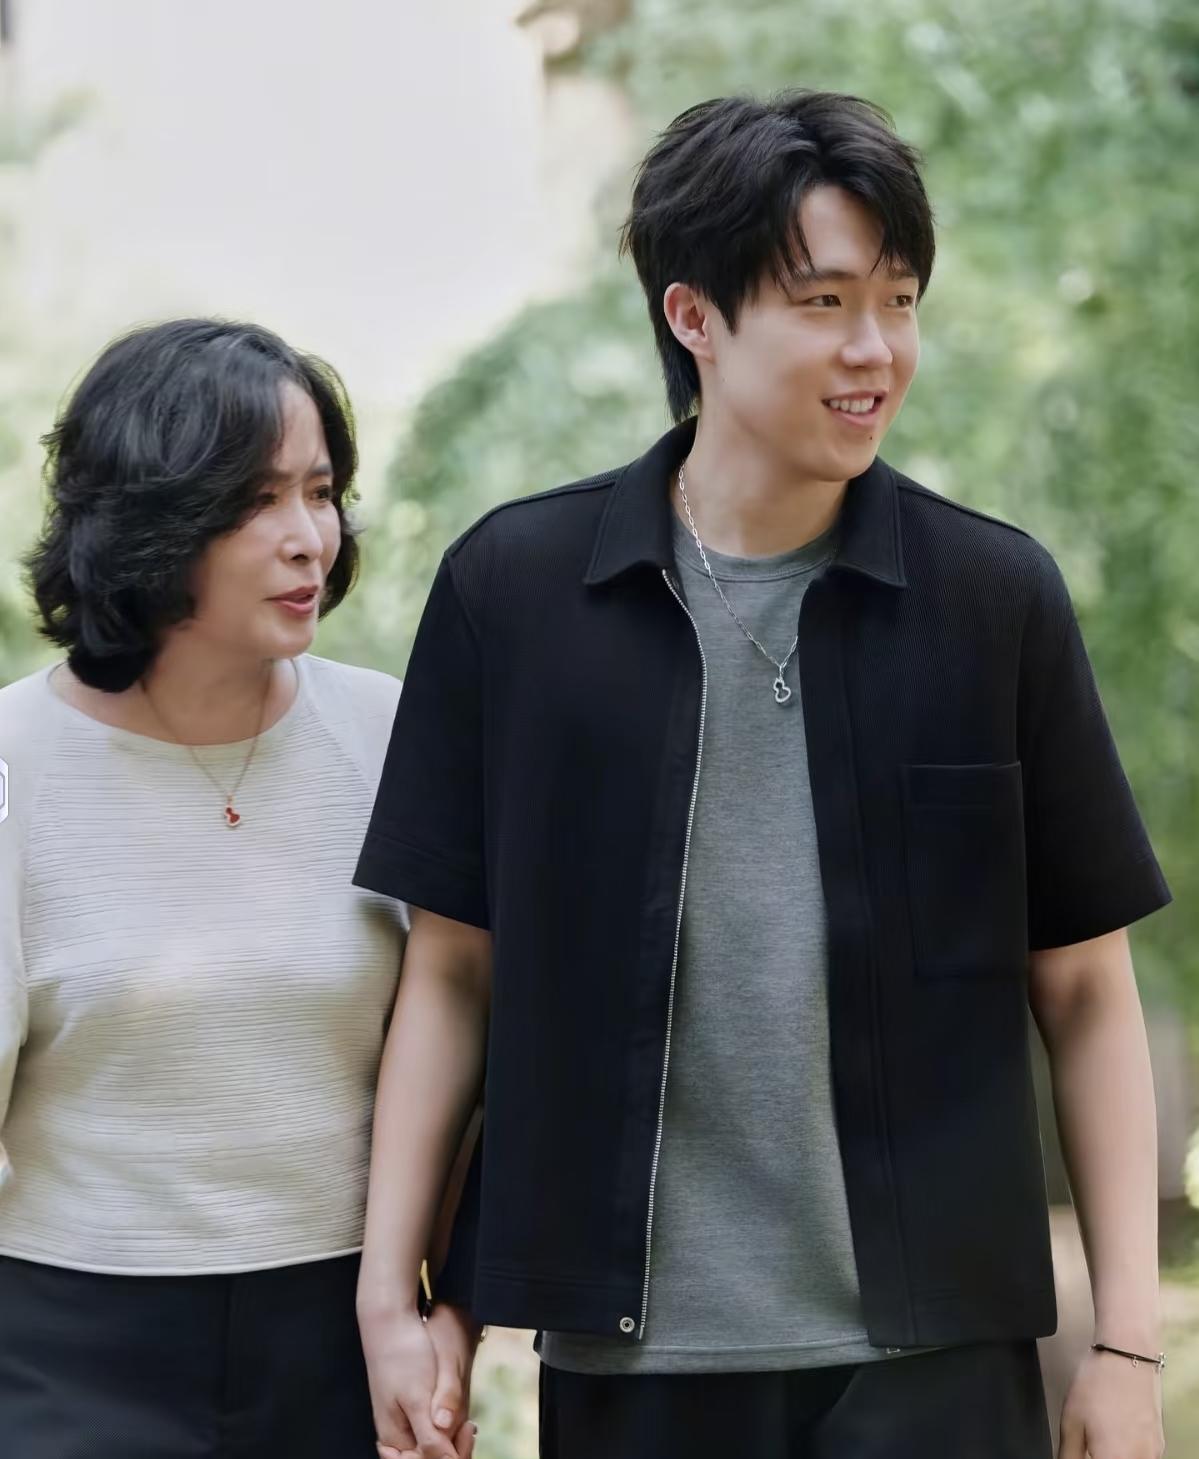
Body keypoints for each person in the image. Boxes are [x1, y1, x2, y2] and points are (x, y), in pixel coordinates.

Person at [353, 92, 1169, 1459]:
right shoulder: (516, 593)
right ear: (693, 316)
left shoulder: (991, 597)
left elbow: (1085, 990)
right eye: (824, 303)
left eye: (898, 302)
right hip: (634, 1364)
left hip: (935, 1365)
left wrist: (1127, 1346)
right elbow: (451, 973)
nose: (874, 350)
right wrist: (400, 1295)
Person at [0, 319, 476, 1459]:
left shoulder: (389, 732)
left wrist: (436, 1317)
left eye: (320, 492)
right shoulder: (17, 762)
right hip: (65, 1351)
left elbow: (466, 1033)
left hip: (339, 1339)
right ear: (151, 521)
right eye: (257, 501)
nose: (309, 537)